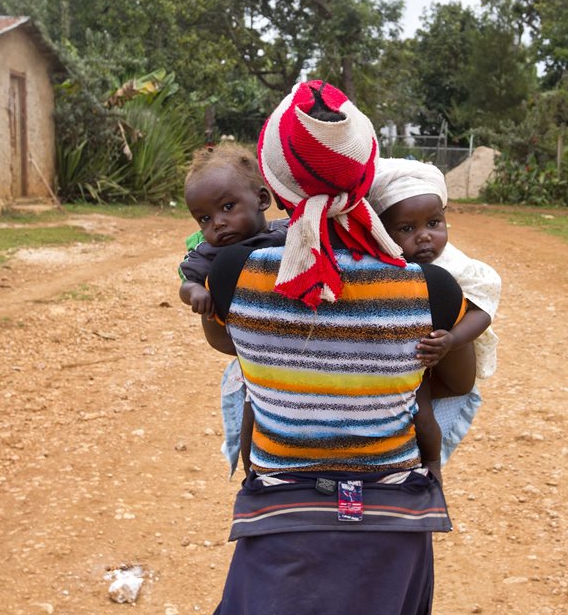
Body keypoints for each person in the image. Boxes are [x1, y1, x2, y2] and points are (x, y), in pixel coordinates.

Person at [201, 80, 466, 614]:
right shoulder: (431, 289)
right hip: (393, 525)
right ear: (367, 174)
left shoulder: (233, 275)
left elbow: (229, 346)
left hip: (280, 523)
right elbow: (457, 383)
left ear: (273, 190)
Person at [367, 158, 501, 476]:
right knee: (418, 414)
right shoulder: (380, 264)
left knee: (424, 419)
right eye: (406, 229)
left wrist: (453, 339)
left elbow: (483, 309)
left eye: (434, 223)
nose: (424, 237)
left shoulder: (455, 265)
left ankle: (432, 473)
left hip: (443, 355)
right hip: (404, 363)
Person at [178, 143, 288, 474]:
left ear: (262, 200)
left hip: (293, 337)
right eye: (205, 219)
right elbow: (186, 281)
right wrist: (195, 291)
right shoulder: (208, 253)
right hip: (249, 350)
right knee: (251, 411)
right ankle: (251, 474)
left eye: (228, 207)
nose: (218, 224)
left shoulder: (287, 232)